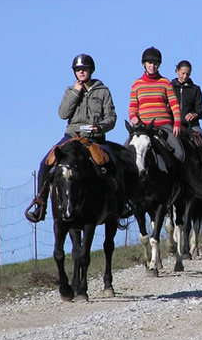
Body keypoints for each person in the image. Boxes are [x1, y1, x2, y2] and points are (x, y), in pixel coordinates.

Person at [25, 53, 131, 223]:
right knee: (45, 163)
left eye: (84, 69)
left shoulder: (103, 91)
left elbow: (111, 118)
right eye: (78, 70)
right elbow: (63, 114)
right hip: (71, 137)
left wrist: (101, 127)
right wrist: (76, 92)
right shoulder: (70, 91)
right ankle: (40, 204)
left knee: (114, 163)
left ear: (91, 70)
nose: (81, 72)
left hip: (95, 138)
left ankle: (121, 205)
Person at [171, 60, 202, 194]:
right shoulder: (169, 87)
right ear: (177, 72)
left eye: (187, 74)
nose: (185, 76)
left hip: (192, 127)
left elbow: (201, 110)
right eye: (182, 73)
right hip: (173, 125)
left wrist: (194, 114)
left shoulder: (195, 89)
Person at [129, 46, 184, 165]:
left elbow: (174, 105)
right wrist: (134, 118)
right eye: (149, 63)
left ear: (159, 65)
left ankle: (178, 182)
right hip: (143, 127)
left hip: (163, 126)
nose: (152, 66)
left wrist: (177, 123)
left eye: (155, 63)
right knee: (125, 154)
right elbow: (132, 108)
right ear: (144, 63)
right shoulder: (136, 84)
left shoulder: (165, 82)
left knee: (179, 154)